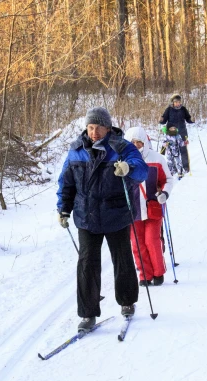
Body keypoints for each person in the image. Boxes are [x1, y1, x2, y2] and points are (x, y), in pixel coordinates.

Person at [57, 107, 149, 332]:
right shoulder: (76, 150)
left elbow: (142, 171)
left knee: (122, 259)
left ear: (108, 128)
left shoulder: (121, 147)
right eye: (90, 127)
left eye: (98, 127)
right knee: (87, 265)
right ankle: (88, 313)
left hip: (116, 213)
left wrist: (128, 168)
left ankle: (127, 300)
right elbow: (66, 182)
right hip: (86, 216)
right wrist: (63, 209)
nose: (94, 132)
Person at [125, 127, 175, 287]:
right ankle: (144, 275)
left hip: (153, 207)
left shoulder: (157, 159)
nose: (135, 145)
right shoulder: (123, 161)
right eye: (132, 142)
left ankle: (158, 273)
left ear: (145, 142)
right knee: (137, 243)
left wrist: (164, 194)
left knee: (151, 240)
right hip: (133, 210)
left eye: (138, 142)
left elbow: (168, 179)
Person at [159, 94, 194, 173]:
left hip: (182, 131)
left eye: (179, 102)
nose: (178, 103)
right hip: (171, 133)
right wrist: (161, 120)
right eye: (176, 102)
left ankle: (186, 167)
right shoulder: (169, 109)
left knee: (183, 149)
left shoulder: (183, 109)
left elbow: (188, 118)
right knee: (170, 150)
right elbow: (164, 120)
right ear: (173, 102)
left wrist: (191, 120)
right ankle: (173, 168)